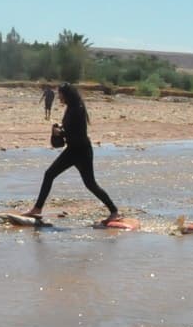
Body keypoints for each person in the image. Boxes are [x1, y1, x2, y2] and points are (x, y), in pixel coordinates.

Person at [23, 83, 120, 225]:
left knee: (90, 184)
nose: (59, 97)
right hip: (74, 149)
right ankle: (37, 209)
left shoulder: (77, 109)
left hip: (81, 151)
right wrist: (60, 129)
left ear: (67, 95)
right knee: (50, 174)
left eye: (60, 94)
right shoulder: (71, 108)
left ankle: (114, 211)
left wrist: (60, 132)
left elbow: (78, 133)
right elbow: (71, 128)